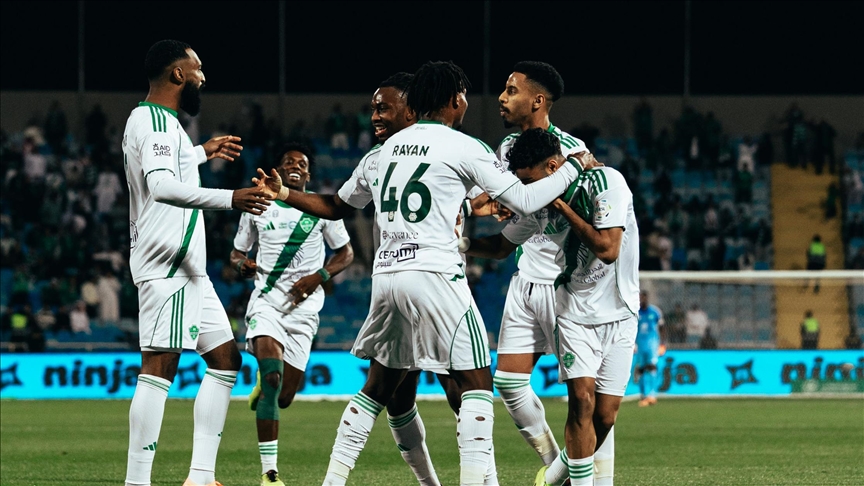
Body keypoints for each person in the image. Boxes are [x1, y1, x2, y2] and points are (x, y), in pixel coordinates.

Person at [255, 60, 585, 486]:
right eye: (463, 96)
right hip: (435, 274)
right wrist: (575, 167)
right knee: (476, 386)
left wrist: (284, 192)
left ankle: (332, 481)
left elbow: (337, 206)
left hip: (387, 276)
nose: (466, 103)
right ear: (453, 99)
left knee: (377, 389)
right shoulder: (463, 145)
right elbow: (523, 200)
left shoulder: (382, 152)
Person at [121, 39, 274, 486]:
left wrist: (201, 152)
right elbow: (162, 186)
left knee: (226, 359)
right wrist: (232, 198)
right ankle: (137, 481)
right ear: (177, 74)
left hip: (189, 269)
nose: (203, 77)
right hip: (166, 261)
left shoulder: (159, 122)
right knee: (159, 367)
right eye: (198, 68)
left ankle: (201, 477)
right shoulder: (154, 121)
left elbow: (167, 167)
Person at [461, 128, 637, 486]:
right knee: (582, 402)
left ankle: (554, 477)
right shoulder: (536, 207)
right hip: (572, 310)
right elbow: (500, 247)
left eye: (528, 181)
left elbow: (608, 249)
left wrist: (561, 207)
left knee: (605, 417)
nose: (524, 193)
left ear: (554, 167)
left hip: (619, 310)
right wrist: (459, 244)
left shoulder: (607, 183)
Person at [461, 61, 590, 471]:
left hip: (564, 283)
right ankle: (556, 466)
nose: (501, 98)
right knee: (509, 382)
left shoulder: (572, 151)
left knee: (584, 398)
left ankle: (583, 475)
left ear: (537, 100)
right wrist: (489, 204)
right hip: (524, 276)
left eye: (511, 90)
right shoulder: (505, 149)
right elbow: (488, 201)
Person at [232, 142, 354, 486]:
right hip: (267, 303)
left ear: (308, 174)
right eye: (288, 162)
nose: (295, 166)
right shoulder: (259, 204)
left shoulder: (319, 208)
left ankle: (265, 381)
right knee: (273, 378)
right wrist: (242, 265)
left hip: (304, 311)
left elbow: (346, 253)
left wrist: (320, 276)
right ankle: (269, 474)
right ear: (279, 170)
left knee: (284, 397)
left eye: (301, 163)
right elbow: (236, 253)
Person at [634, 291, 665, 407]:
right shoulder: (636, 312)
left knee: (652, 367)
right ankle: (643, 395)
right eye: (640, 298)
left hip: (652, 343)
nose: (642, 300)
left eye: (643, 298)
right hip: (640, 344)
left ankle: (652, 395)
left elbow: (662, 328)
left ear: (647, 298)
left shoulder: (655, 311)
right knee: (641, 369)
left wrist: (662, 344)